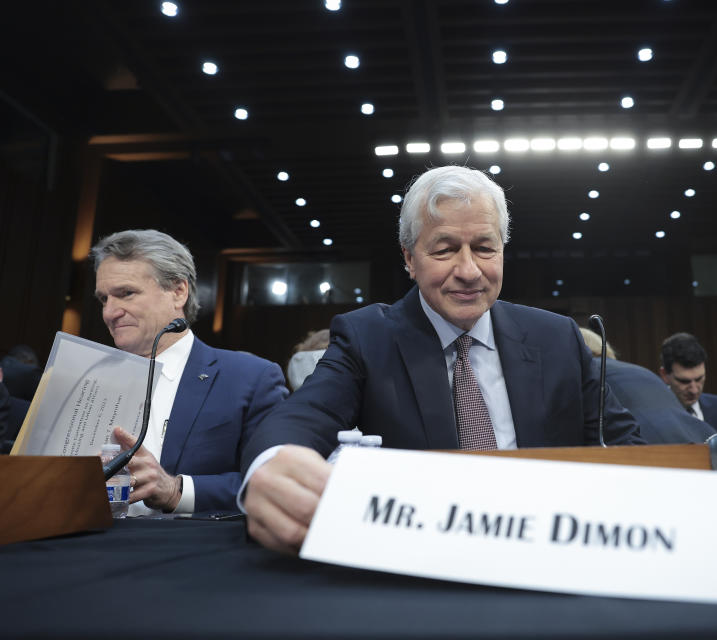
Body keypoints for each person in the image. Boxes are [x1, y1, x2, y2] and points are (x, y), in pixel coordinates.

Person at [241, 165, 645, 553]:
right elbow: (301, 417)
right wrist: (273, 464)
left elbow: (626, 445)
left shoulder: (556, 338)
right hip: (421, 564)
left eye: (485, 248)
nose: (468, 270)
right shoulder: (369, 337)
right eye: (445, 249)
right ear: (409, 258)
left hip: (547, 551)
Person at [91, 229, 288, 515]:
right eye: (103, 299)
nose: (110, 312)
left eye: (126, 294)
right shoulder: (84, 378)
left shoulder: (250, 377)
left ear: (178, 291)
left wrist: (175, 491)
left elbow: (274, 484)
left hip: (194, 551)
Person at [580, 328, 714, 444]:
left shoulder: (590, 372)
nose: (694, 389)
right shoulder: (640, 371)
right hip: (704, 443)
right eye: (684, 381)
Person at [659, 333, 717, 431]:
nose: (694, 390)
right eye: (684, 381)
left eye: (699, 379)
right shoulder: (650, 415)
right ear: (664, 375)